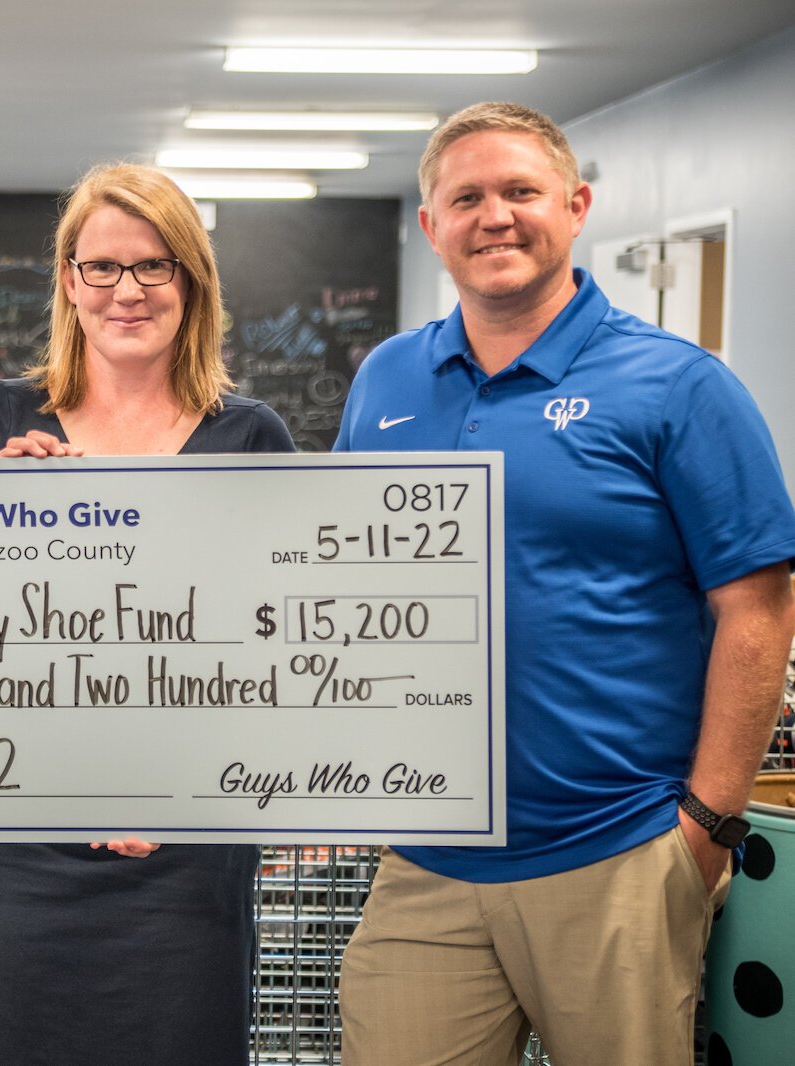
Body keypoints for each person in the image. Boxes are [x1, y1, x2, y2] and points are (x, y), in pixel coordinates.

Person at [333, 102, 795, 1066]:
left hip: (615, 850)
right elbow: (338, 582)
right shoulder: (385, 381)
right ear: (430, 226)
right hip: (425, 857)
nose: (493, 216)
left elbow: (756, 610)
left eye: (519, 192)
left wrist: (706, 823)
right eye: (465, 198)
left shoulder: (678, 386)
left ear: (575, 206)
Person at [0, 163, 293, 1066]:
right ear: (69, 282)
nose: (128, 290)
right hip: (8, 840)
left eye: (155, 266)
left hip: (178, 852)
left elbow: (279, 654)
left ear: (191, 283)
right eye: (102, 267)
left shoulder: (250, 437)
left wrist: (183, 790)